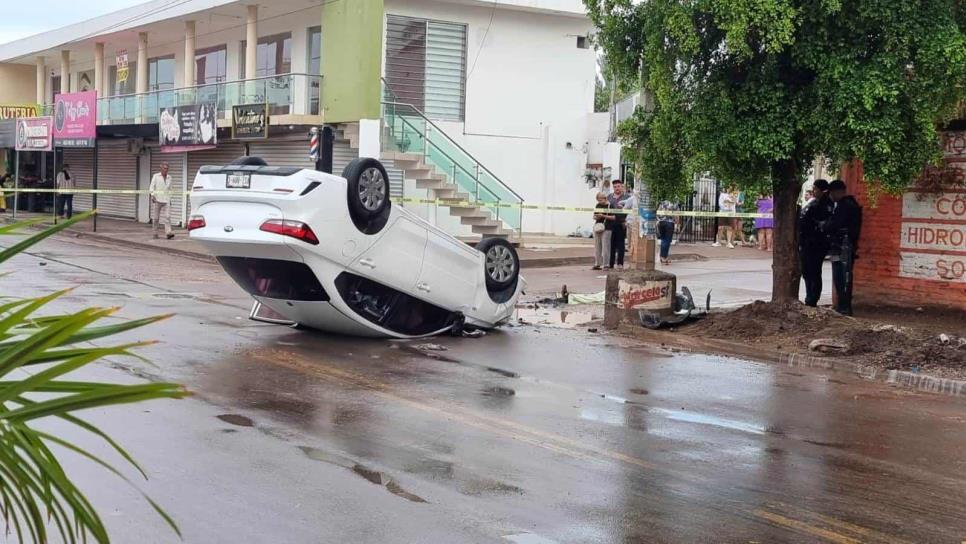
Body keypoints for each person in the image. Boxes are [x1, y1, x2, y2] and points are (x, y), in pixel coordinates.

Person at [822, 179, 862, 316]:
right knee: (843, 276)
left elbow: (835, 225)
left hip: (842, 246)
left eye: (831, 193)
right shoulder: (851, 205)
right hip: (846, 245)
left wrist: (825, 225)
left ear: (836, 192)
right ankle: (843, 305)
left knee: (841, 277)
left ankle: (844, 307)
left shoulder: (844, 206)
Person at [798, 179, 833, 306]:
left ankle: (812, 298)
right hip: (807, 242)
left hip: (817, 243)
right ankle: (809, 296)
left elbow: (820, 223)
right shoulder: (814, 203)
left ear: (823, 190)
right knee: (806, 271)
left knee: (814, 271)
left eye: (815, 189)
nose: (813, 191)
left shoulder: (826, 205)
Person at [607, 180, 631, 269]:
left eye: (618, 186)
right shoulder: (609, 197)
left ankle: (620, 263)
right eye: (615, 187)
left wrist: (626, 220)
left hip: (621, 223)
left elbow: (631, 210)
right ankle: (610, 263)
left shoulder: (627, 197)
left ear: (622, 187)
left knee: (621, 244)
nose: (617, 188)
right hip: (610, 223)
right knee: (611, 244)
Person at [149, 162, 174, 240]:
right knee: (156, 218)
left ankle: (168, 233)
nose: (166, 170)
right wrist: (152, 195)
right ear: (161, 168)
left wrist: (171, 198)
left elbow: (171, 189)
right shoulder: (156, 176)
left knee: (167, 216)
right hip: (157, 199)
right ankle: (155, 233)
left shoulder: (170, 177)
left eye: (167, 168)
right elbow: (151, 187)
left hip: (166, 199)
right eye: (164, 168)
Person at [592, 192, 614, 270]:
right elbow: (594, 216)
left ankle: (606, 264)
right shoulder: (598, 205)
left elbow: (614, 217)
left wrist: (603, 216)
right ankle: (597, 263)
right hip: (598, 226)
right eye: (598, 200)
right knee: (597, 246)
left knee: (606, 246)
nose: (600, 202)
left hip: (607, 227)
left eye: (601, 200)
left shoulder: (610, 206)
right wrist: (596, 217)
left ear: (605, 198)